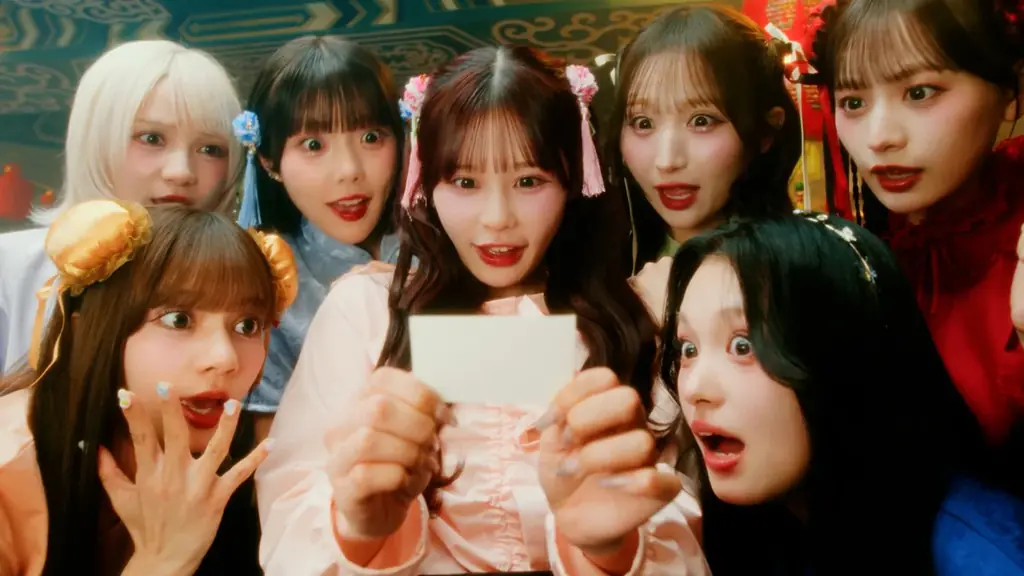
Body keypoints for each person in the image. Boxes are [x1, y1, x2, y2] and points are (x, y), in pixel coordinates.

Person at [256, 46, 708, 575]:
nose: (496, 219)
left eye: (529, 181)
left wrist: (611, 549)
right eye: (465, 182)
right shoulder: (365, 313)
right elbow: (289, 518)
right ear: (425, 179)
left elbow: (679, 528)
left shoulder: (631, 319)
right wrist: (356, 527)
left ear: (574, 178)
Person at [662, 213, 1024, 574]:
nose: (694, 389)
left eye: (743, 346)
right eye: (688, 349)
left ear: (845, 356)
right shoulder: (759, 529)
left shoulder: (981, 556)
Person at [0, 200, 297, 574]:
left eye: (247, 326)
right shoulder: (9, 466)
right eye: (179, 320)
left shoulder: (238, 463)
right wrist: (162, 561)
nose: (225, 358)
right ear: (84, 332)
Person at [805, 0, 1024, 461]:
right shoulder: (857, 255)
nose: (880, 137)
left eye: (920, 92)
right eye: (854, 102)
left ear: (1010, 90)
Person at [0, 40, 242, 375]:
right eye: (151, 138)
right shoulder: (11, 268)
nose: (181, 172)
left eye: (211, 149)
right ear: (96, 138)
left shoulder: (247, 278)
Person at [232, 35, 405, 438]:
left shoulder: (450, 244)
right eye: (313, 145)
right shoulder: (266, 285)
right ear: (269, 161)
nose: (349, 170)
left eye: (371, 137)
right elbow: (275, 457)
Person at [606, 4, 799, 276]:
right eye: (643, 123)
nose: (667, 161)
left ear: (765, 132)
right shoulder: (600, 271)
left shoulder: (799, 270)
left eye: (701, 121)